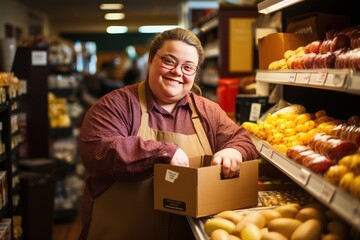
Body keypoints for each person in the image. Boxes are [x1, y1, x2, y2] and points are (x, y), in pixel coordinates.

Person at [78, 28, 260, 240]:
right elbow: (98, 148)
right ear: (150, 60)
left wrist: (233, 151)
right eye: (169, 61)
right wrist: (162, 152)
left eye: (188, 67)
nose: (177, 72)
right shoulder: (117, 105)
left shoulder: (207, 111)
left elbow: (243, 140)